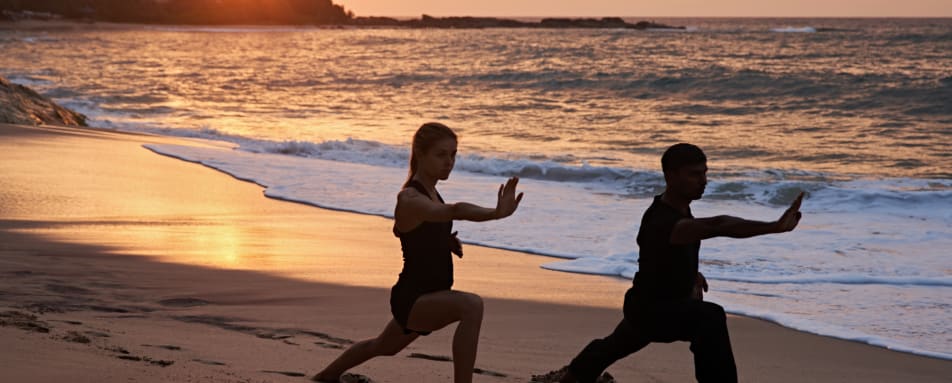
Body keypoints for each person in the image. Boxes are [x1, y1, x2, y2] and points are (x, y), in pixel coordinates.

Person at [560, 143, 804, 383]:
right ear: (671, 176)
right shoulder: (665, 220)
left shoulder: (676, 210)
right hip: (652, 309)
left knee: (616, 344)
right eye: (694, 174)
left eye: (705, 173)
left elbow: (663, 255)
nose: (703, 180)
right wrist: (772, 227)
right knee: (710, 317)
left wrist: (691, 274)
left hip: (650, 304)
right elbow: (718, 225)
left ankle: (574, 375)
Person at [312, 122, 524, 383]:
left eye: (453, 154)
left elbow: (407, 231)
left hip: (430, 294)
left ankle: (325, 376)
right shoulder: (409, 198)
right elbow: (453, 211)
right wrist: (494, 213)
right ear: (420, 154)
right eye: (441, 154)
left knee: (382, 346)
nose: (449, 162)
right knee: (471, 305)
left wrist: (445, 242)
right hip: (415, 298)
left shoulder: (433, 194)